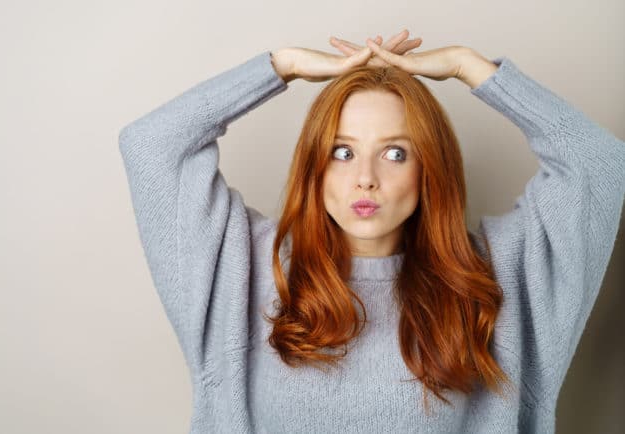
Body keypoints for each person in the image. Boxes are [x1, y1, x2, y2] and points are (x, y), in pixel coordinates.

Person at [118, 29, 624, 433]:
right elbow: (151, 147)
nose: (365, 176)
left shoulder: (497, 275)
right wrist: (280, 66)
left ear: (430, 169)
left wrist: (473, 69)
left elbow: (598, 165)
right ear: (314, 166)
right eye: (342, 151)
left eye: (395, 152)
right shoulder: (247, 266)